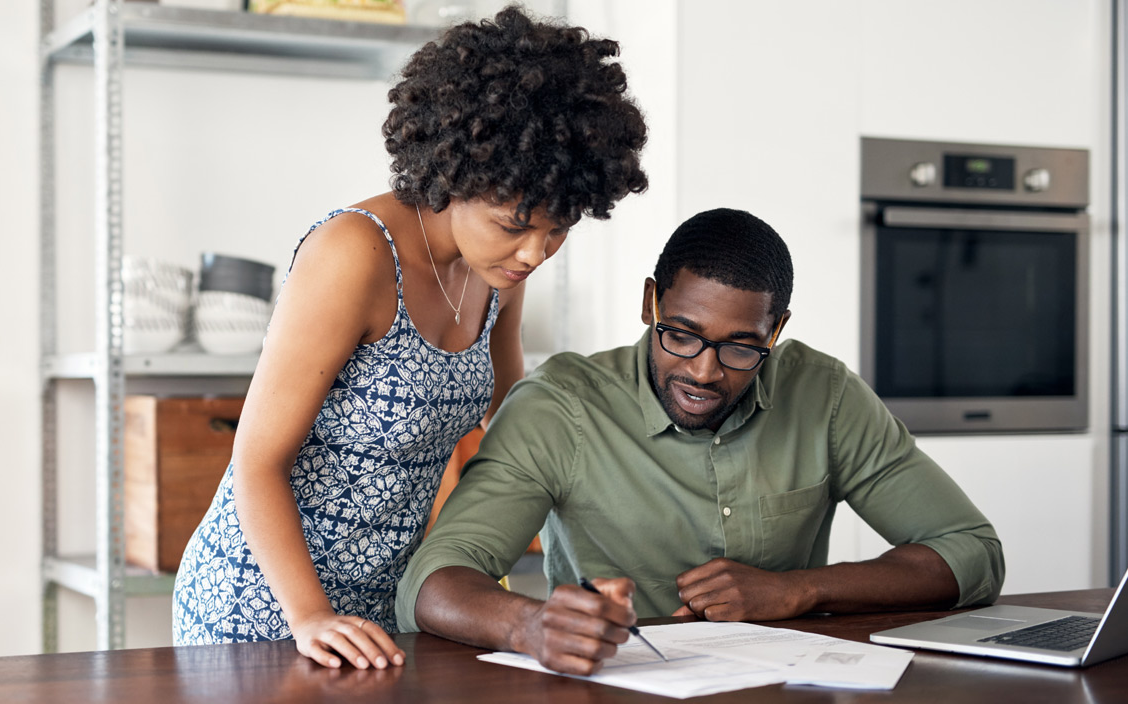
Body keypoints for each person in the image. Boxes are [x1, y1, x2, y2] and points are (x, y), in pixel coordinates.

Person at [170, 5, 649, 672]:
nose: (538, 251)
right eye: (516, 223)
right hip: (262, 600)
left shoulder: (499, 269)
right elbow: (256, 461)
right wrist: (308, 615)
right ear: (454, 175)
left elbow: (512, 426)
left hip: (377, 603)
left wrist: (593, 544)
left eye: (559, 226)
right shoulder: (355, 255)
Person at [396, 207, 1005, 675]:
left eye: (742, 346)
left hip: (783, 685)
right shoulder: (562, 406)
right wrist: (529, 625)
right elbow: (435, 581)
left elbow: (972, 553)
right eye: (681, 335)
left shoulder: (824, 396)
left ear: (777, 329)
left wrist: (799, 589)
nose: (705, 372)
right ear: (649, 303)